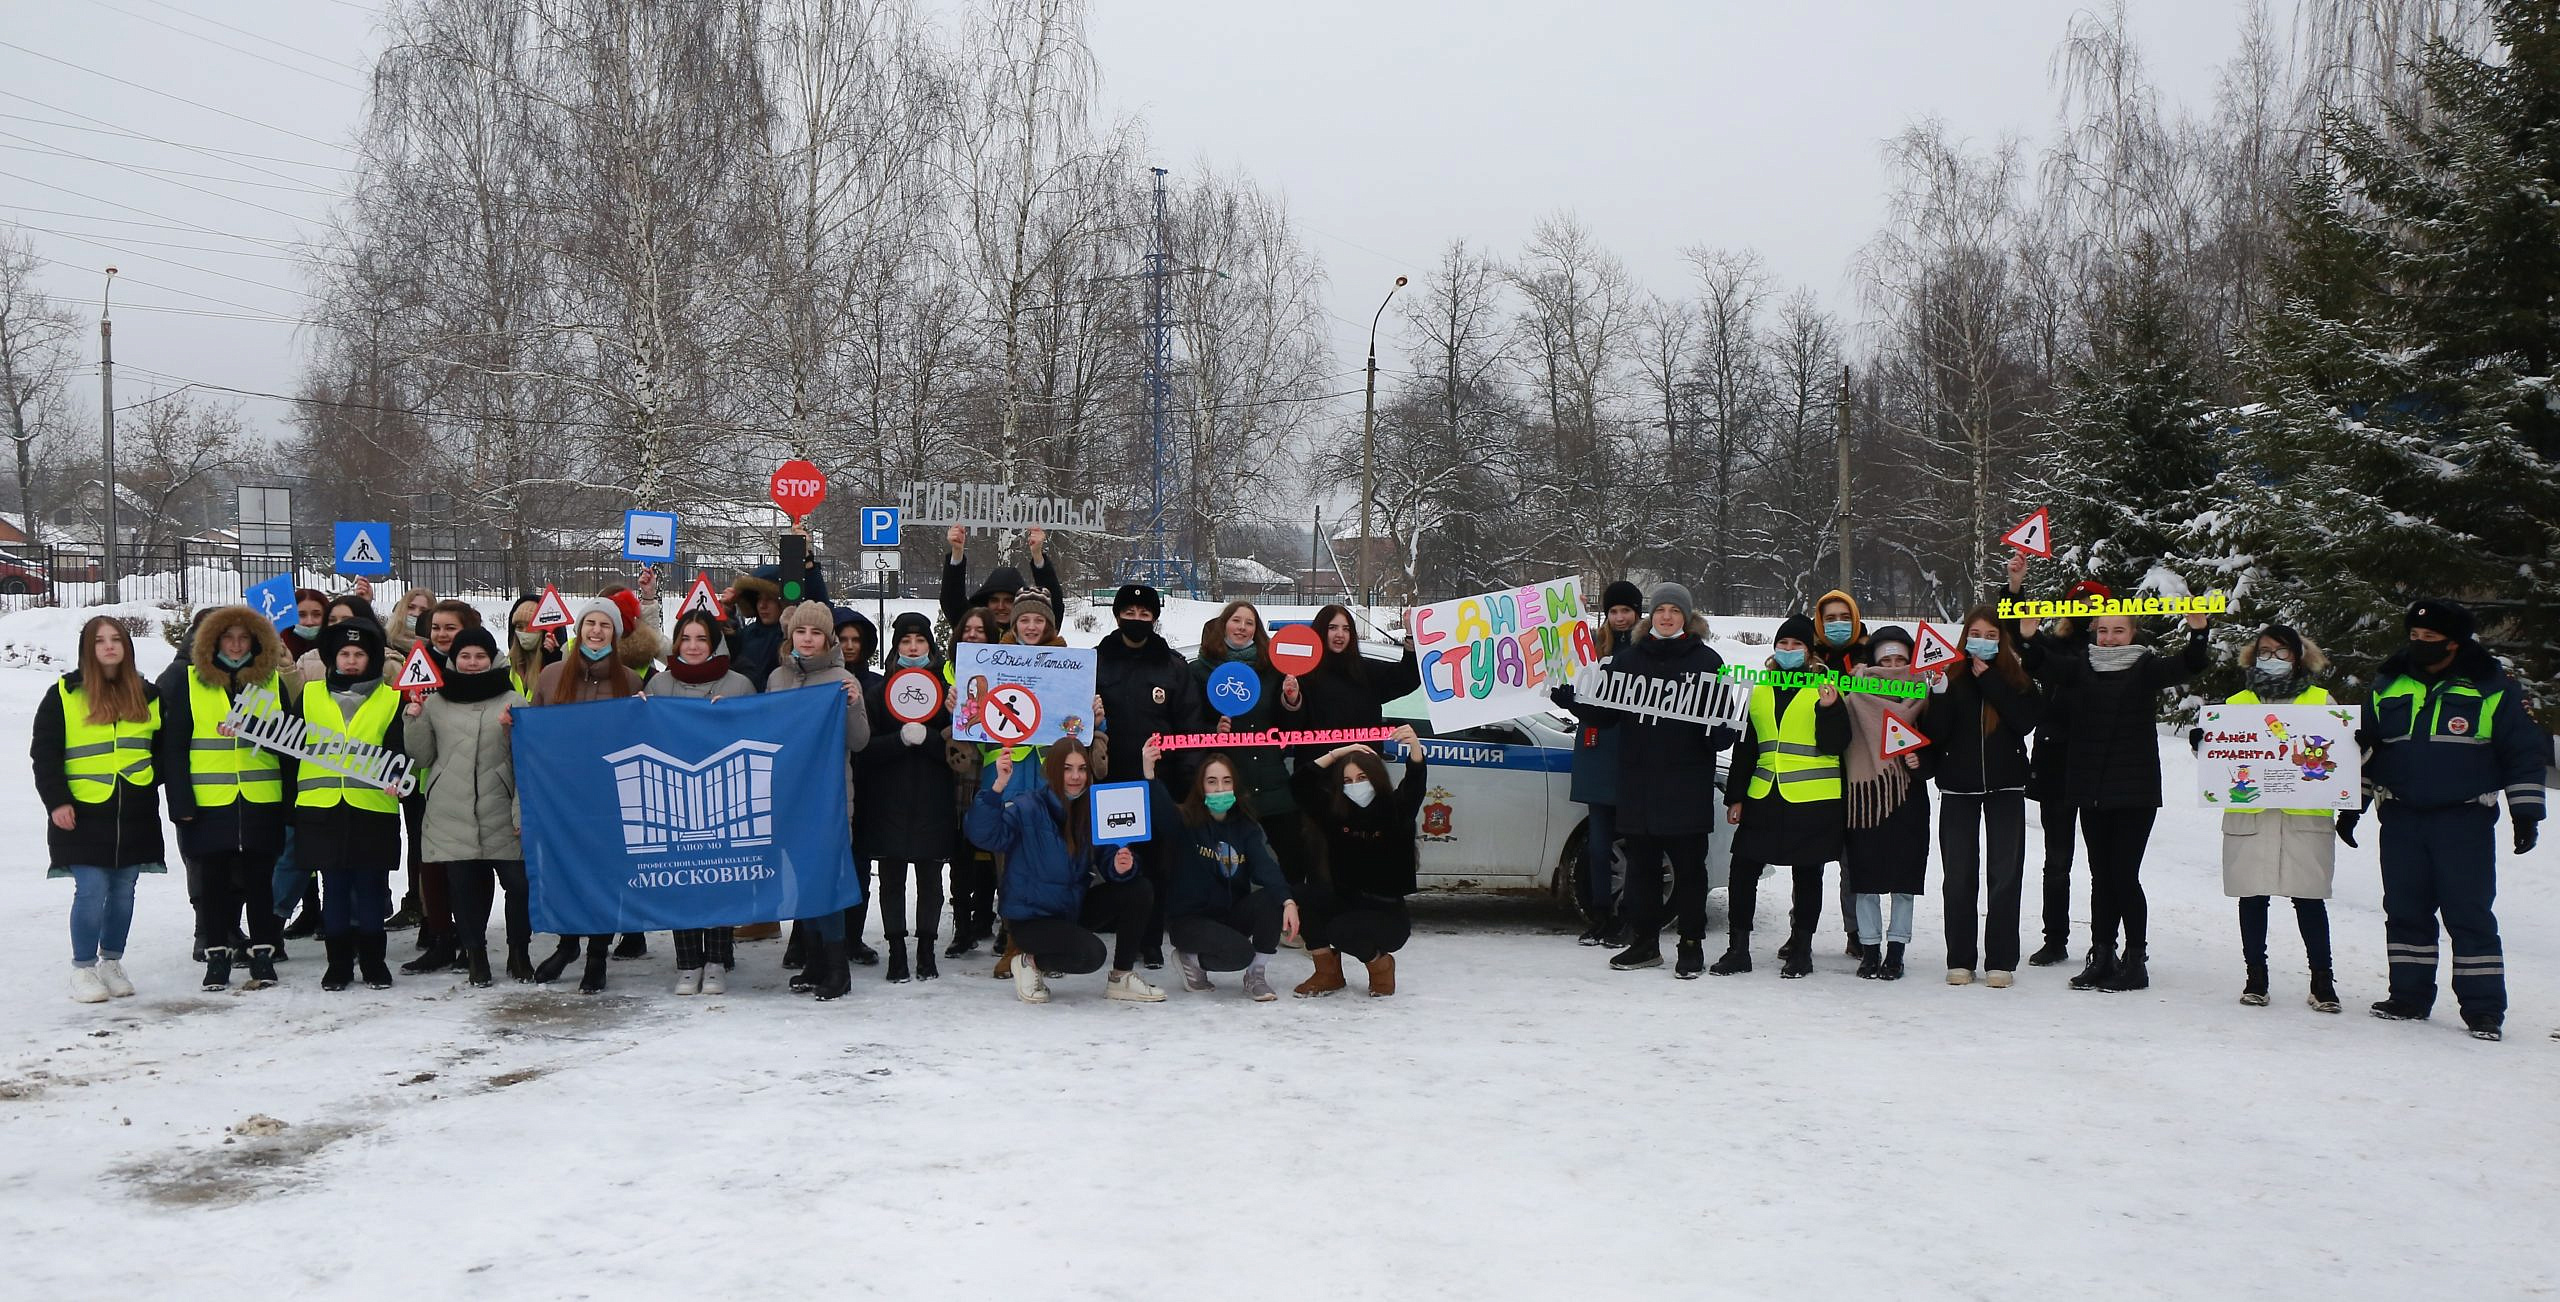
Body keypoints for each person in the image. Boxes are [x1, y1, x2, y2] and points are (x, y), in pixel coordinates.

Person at [2351, 599, 2544, 1041]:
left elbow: (2522, 752)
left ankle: (2483, 1009)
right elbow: (2365, 752)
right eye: (2414, 636)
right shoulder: (2388, 683)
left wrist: (2526, 812)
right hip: (2401, 816)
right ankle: (2409, 997)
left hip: (2464, 819)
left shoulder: (2491, 686)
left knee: (2468, 914)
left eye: (2430, 638)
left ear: (2454, 643)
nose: (2420, 643)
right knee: (2405, 911)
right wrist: (2352, 808)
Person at [2034, 606, 2210, 993]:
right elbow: (2041, 664)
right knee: (2101, 878)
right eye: (2103, 631)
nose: (2110, 638)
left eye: (2118, 631)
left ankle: (2135, 959)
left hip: (2134, 791)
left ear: (2132, 633)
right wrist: (2028, 634)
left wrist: (2199, 632)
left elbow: (2189, 664)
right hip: (2091, 789)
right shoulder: (2082, 667)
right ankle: (2102, 954)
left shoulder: (2145, 667)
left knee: (2124, 876)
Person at [1576, 584, 1732, 977]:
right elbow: (1606, 715)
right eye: (1660, 610)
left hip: (1686, 787)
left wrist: (1718, 728)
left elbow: (1723, 729)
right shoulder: (1629, 659)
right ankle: (1644, 942)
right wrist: (1574, 701)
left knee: (1690, 871)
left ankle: (1691, 945)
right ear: (1651, 616)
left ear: (1686, 617)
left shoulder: (1707, 661)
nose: (1666, 617)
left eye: (1674, 611)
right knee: (1641, 870)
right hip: (1639, 786)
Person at [2188, 625, 2343, 1013]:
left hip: (2304, 818)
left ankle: (2322, 980)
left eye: (2281, 652)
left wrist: (2358, 747)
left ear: (2298, 656)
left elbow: (2342, 758)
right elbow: (2221, 759)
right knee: (2252, 897)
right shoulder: (2236, 704)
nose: (2272, 659)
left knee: (2309, 899)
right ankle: (2255, 976)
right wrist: (2203, 746)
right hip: (2251, 816)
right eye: (2265, 651)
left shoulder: (2321, 701)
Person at [965, 738, 1165, 1004]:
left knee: (1139, 889)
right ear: (1052, 770)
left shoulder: (1092, 809)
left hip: (1069, 909)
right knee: (1091, 955)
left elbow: (1109, 857)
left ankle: (1122, 977)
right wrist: (998, 787)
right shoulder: (1027, 807)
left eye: (1082, 769)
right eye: (1067, 768)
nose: (1075, 776)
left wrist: (1120, 866)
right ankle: (1028, 962)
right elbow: (984, 835)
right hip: (1031, 919)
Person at [156, 604, 290, 992]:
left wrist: (287, 800)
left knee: (260, 881)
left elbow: (290, 742)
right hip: (208, 801)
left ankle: (263, 952)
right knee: (213, 883)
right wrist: (181, 803)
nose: (235, 645)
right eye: (227, 638)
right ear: (212, 642)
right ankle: (217, 955)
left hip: (261, 798)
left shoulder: (271, 681)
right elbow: (173, 749)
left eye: (243, 638)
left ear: (255, 642)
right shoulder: (188, 680)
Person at [39, 616, 165, 1003]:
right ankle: (83, 968)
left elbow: (165, 748)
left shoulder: (149, 695)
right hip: (82, 810)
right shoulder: (63, 694)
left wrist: (149, 778)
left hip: (134, 809)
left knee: (124, 890)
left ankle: (112, 962)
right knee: (92, 889)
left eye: (116, 639)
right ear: (87, 649)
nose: (109, 646)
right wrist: (57, 801)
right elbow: (44, 754)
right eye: (99, 641)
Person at [1717, 612, 1848, 980]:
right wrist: (1736, 797)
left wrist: (1830, 709)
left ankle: (1801, 950)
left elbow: (1837, 744)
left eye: (1797, 644)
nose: (1789, 649)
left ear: (1809, 652)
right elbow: (1746, 748)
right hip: (1764, 794)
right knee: (1743, 869)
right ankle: (1738, 949)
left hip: (1812, 799)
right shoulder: (1760, 689)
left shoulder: (1825, 687)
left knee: (1807, 876)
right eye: (1783, 643)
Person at [402, 626, 529, 989]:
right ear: (453, 660)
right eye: (465, 656)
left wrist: (511, 731)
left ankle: (519, 952)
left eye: (480, 656)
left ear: (492, 659)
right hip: (451, 810)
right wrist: (414, 718)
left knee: (519, 885)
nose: (472, 663)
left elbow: (525, 759)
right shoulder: (436, 702)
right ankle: (476, 957)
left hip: (500, 808)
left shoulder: (513, 701)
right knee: (464, 890)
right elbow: (422, 757)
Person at [530, 598, 645, 992]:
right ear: (579, 630)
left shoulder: (629, 681)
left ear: (615, 633)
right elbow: (534, 732)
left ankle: (597, 954)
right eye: (590, 624)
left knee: (605, 876)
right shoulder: (551, 676)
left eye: (605, 625)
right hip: (562, 795)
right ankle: (567, 945)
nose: (596, 631)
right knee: (565, 872)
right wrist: (513, 724)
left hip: (610, 797)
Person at [643, 609, 758, 993]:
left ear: (715, 643)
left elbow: (759, 733)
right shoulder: (659, 685)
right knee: (683, 879)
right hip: (673, 796)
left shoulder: (739, 684)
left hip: (725, 796)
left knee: (720, 877)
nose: (693, 647)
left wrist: (736, 716)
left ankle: (717, 961)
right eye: (686, 639)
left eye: (702, 639)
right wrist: (635, 711)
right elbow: (644, 736)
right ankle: (688, 962)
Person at [1926, 606, 2041, 988]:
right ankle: (1960, 959)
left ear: (2002, 640)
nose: (1982, 641)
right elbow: (1936, 733)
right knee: (1958, 876)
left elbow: (2025, 721)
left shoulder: (2016, 676)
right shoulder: (1950, 676)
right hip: (1957, 788)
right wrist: (1938, 692)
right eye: (1976, 634)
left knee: (2005, 875)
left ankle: (2001, 960)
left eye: (1991, 636)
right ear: (1964, 637)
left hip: (2005, 787)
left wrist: (1990, 680)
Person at [2003, 553, 2109, 967]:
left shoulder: (2114, 651)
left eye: (2094, 606)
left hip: (2101, 764)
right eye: (2079, 605)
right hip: (2055, 764)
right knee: (2057, 860)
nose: (2086, 613)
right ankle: (2055, 937)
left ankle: (2104, 941)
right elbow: (2018, 634)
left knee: (2104, 863)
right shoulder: (2053, 646)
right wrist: (2016, 587)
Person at [295, 618, 406, 992]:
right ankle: (338, 965)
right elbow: (287, 746)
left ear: (371, 658)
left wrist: (398, 777)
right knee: (335, 892)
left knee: (372, 889)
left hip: (372, 809)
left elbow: (400, 750)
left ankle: (374, 963)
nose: (352, 660)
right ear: (333, 658)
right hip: (322, 810)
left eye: (359, 654)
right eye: (344, 653)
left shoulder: (391, 699)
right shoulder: (310, 695)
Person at [768, 599, 872, 1001]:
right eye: (801, 631)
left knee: (826, 880)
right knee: (802, 880)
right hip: (788, 796)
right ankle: (813, 961)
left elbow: (858, 741)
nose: (807, 639)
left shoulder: (841, 679)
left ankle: (837, 968)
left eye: (816, 633)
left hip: (828, 798)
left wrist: (854, 705)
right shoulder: (777, 677)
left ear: (828, 639)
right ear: (790, 635)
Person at [1142, 739, 1297, 1000]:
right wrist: (1149, 773)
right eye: (1212, 782)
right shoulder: (1185, 821)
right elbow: (1161, 811)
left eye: (1226, 781)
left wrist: (1288, 901)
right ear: (1201, 786)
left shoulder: (1245, 826)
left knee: (1273, 897)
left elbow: (1265, 866)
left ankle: (1256, 975)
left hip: (1229, 915)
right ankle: (1190, 959)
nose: (1220, 788)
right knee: (1239, 954)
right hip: (1190, 921)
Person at [1289, 725, 1427, 997]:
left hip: (1387, 915)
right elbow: (1300, 784)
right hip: (1346, 901)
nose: (1356, 785)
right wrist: (1338, 753)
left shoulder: (1396, 811)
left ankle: (1381, 966)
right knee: (1301, 895)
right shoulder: (1336, 813)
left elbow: (1415, 784)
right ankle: (1327, 973)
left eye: (1362, 777)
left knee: (1340, 930)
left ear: (1375, 778)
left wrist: (1414, 748)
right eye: (1348, 780)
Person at [859, 612, 958, 984]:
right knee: (892, 880)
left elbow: (959, 751)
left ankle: (926, 950)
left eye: (920, 641)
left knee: (931, 880)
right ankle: (897, 951)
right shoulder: (878, 693)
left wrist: (931, 738)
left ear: (930, 646)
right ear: (895, 647)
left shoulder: (946, 694)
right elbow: (864, 748)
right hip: (889, 802)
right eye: (905, 641)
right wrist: (898, 740)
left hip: (933, 800)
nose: (913, 648)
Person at [1549, 579, 1643, 946]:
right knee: (1599, 844)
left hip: (1631, 755)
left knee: (1634, 845)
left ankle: (1630, 916)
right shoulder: (1592, 648)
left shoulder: (1645, 650)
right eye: (1613, 611)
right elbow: (1557, 650)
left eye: (1626, 611)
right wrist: (1568, 612)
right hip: (1595, 752)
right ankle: (1602, 915)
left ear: (1637, 613)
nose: (1620, 618)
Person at [1839, 626, 1932, 983]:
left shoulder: (1925, 694)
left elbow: (1939, 742)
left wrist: (1920, 761)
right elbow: (1837, 739)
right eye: (1886, 660)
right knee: (1865, 879)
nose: (1893, 667)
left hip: (1907, 797)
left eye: (1900, 660)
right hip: (1865, 799)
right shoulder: (1855, 693)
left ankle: (1896, 951)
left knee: (1904, 880)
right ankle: (1869, 949)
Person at [1192, 601, 1306, 882]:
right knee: (1228, 862)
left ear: (1257, 631)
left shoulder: (1272, 670)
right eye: (1236, 620)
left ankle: (1291, 905)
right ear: (1223, 625)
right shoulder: (1200, 670)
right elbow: (1188, 723)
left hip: (1271, 778)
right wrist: (1213, 731)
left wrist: (1291, 700)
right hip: (1227, 783)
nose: (1242, 627)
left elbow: (1290, 727)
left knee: (1293, 854)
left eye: (1249, 623)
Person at [941, 606, 1004, 958]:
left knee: (995, 849)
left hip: (993, 763)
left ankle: (994, 920)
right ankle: (962, 926)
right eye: (968, 629)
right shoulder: (946, 672)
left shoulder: (1005, 669)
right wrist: (946, 708)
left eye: (980, 630)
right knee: (961, 849)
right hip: (960, 768)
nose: (973, 635)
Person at [1291, 604, 1420, 735]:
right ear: (1320, 630)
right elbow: (1289, 724)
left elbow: (1407, 677)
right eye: (1332, 628)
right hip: (1316, 749)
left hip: (1363, 749)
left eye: (1346, 629)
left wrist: (1410, 634)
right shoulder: (1302, 676)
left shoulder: (1367, 672)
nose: (1340, 634)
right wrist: (1291, 700)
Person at [939, 524, 1062, 639]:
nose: (1001, 607)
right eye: (994, 600)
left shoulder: (1034, 634)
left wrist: (1037, 555)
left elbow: (1053, 605)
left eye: (1008, 600)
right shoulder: (973, 630)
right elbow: (951, 602)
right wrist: (957, 553)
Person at [725, 572, 787, 690]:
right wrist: (727, 613)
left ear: (782, 602)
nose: (762, 605)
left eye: (770, 599)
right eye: (759, 599)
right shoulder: (747, 633)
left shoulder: (792, 637)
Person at [504, 592, 561, 699]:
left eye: (532, 627)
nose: (525, 632)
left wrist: (554, 664)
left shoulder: (561, 666)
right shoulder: (505, 667)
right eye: (519, 627)